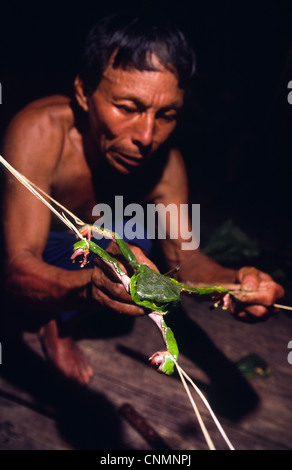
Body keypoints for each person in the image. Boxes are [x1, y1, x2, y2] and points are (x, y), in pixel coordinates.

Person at [2, 13, 284, 384]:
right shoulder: (40, 132)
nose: (147, 136)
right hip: (31, 257)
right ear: (85, 92)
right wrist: (89, 288)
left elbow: (186, 261)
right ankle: (54, 323)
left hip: (87, 255)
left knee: (135, 233)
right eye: (128, 108)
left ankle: (64, 318)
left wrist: (236, 283)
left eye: (166, 114)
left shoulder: (166, 164)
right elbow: (16, 266)